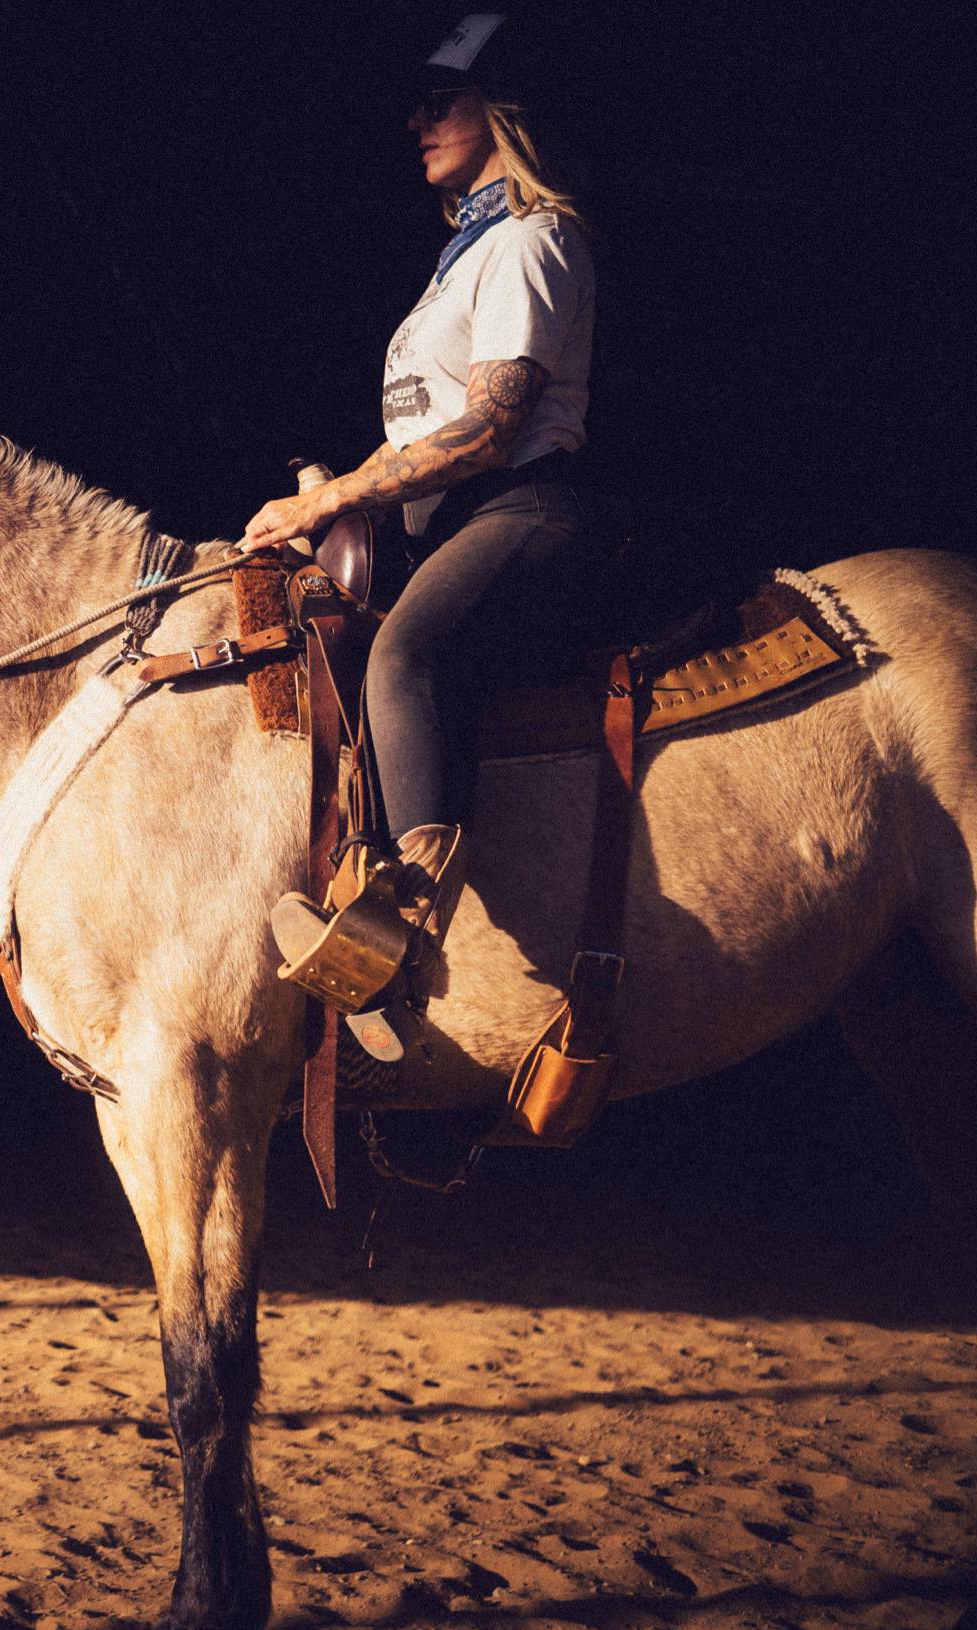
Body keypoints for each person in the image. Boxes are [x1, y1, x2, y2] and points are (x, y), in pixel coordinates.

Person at [249, 12, 599, 1027]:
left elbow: (489, 428)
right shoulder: (457, 261)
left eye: (439, 102)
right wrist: (309, 505)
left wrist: (333, 497)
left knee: (402, 654)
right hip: (440, 524)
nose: (416, 122)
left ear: (503, 109)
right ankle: (351, 866)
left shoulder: (533, 242)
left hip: (522, 506)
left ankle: (401, 928)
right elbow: (413, 436)